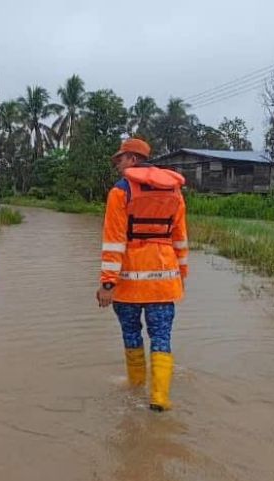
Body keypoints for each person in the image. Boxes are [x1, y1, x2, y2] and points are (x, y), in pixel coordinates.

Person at [96, 138, 189, 411]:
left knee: (131, 334)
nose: (118, 164)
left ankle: (135, 386)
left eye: (121, 159)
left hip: (129, 283)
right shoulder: (174, 190)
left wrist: (107, 283)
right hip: (164, 281)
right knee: (161, 337)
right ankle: (160, 398)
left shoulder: (120, 191)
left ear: (133, 159)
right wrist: (181, 275)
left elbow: (114, 242)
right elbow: (180, 237)